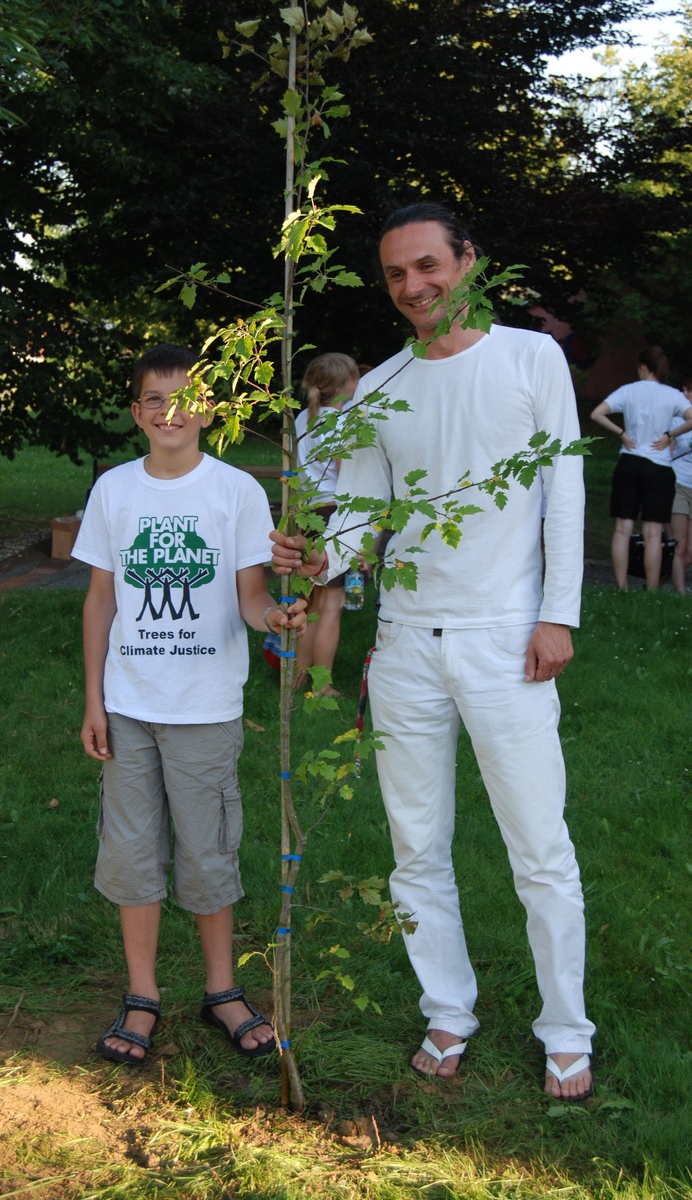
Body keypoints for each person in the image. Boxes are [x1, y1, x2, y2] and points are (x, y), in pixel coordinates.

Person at [271, 201, 596, 1100]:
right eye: (395, 275)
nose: (413, 287)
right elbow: (366, 520)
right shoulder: (379, 389)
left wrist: (555, 614)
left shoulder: (531, 360)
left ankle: (565, 1028)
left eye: (427, 266)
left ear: (467, 261)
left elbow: (562, 495)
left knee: (539, 849)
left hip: (505, 640)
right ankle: (446, 1009)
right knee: (416, 850)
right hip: (407, 646)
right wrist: (313, 558)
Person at [73, 343, 306, 1065]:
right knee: (132, 850)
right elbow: (101, 599)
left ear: (205, 410)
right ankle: (141, 995)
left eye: (183, 399)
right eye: (153, 400)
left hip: (205, 707)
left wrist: (277, 620)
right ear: (136, 413)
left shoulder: (234, 491)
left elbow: (251, 597)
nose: (168, 412)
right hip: (129, 705)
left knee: (208, 852)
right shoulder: (113, 490)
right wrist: (93, 700)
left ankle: (221, 990)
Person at [590, 348, 692, 590]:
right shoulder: (673, 395)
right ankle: (651, 590)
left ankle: (622, 587)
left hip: (630, 461)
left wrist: (622, 434)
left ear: (643, 367)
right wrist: (670, 435)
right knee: (654, 533)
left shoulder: (628, 390)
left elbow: (597, 414)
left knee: (622, 529)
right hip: (659, 466)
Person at [292, 352, 360, 696]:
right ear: (346, 385)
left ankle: (298, 679)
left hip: (308, 515)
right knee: (331, 606)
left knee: (313, 604)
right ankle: (323, 685)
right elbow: (342, 471)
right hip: (335, 514)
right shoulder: (339, 422)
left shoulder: (303, 419)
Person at [668, 375, 692, 595]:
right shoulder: (677, 419)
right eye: (684, 389)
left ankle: (657, 571)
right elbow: (670, 449)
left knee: (690, 551)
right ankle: (681, 595)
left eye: (690, 390)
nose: (685, 394)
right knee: (679, 544)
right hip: (679, 483)